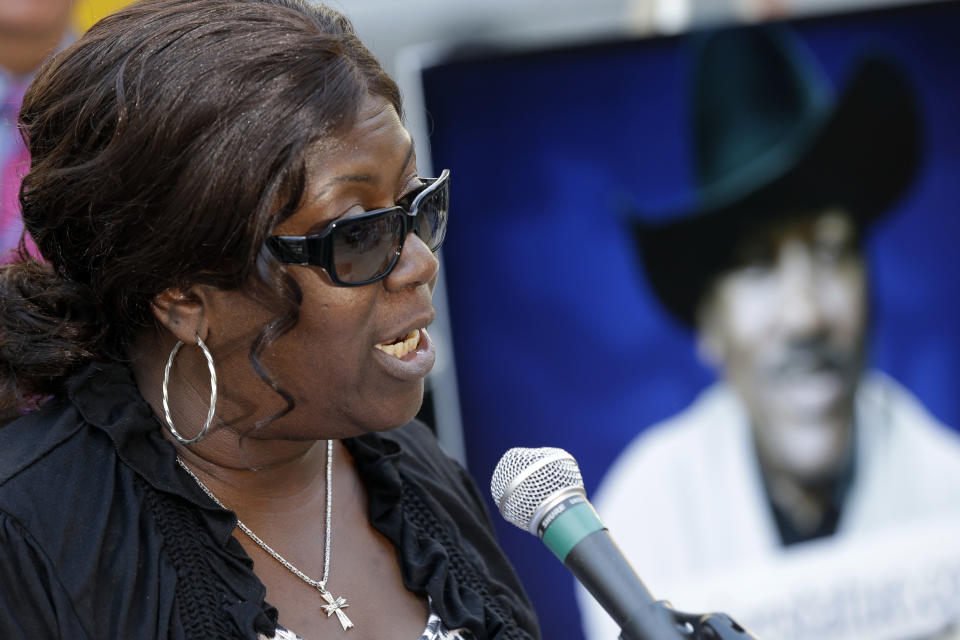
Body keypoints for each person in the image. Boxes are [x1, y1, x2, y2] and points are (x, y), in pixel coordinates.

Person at [0, 1, 540, 639]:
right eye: (358, 234)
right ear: (183, 295)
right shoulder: (30, 537)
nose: (419, 262)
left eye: (414, 206)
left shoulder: (414, 472)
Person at [577, 25, 960, 640]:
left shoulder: (949, 498)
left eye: (833, 252)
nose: (806, 315)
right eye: (757, 265)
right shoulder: (642, 522)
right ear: (709, 324)